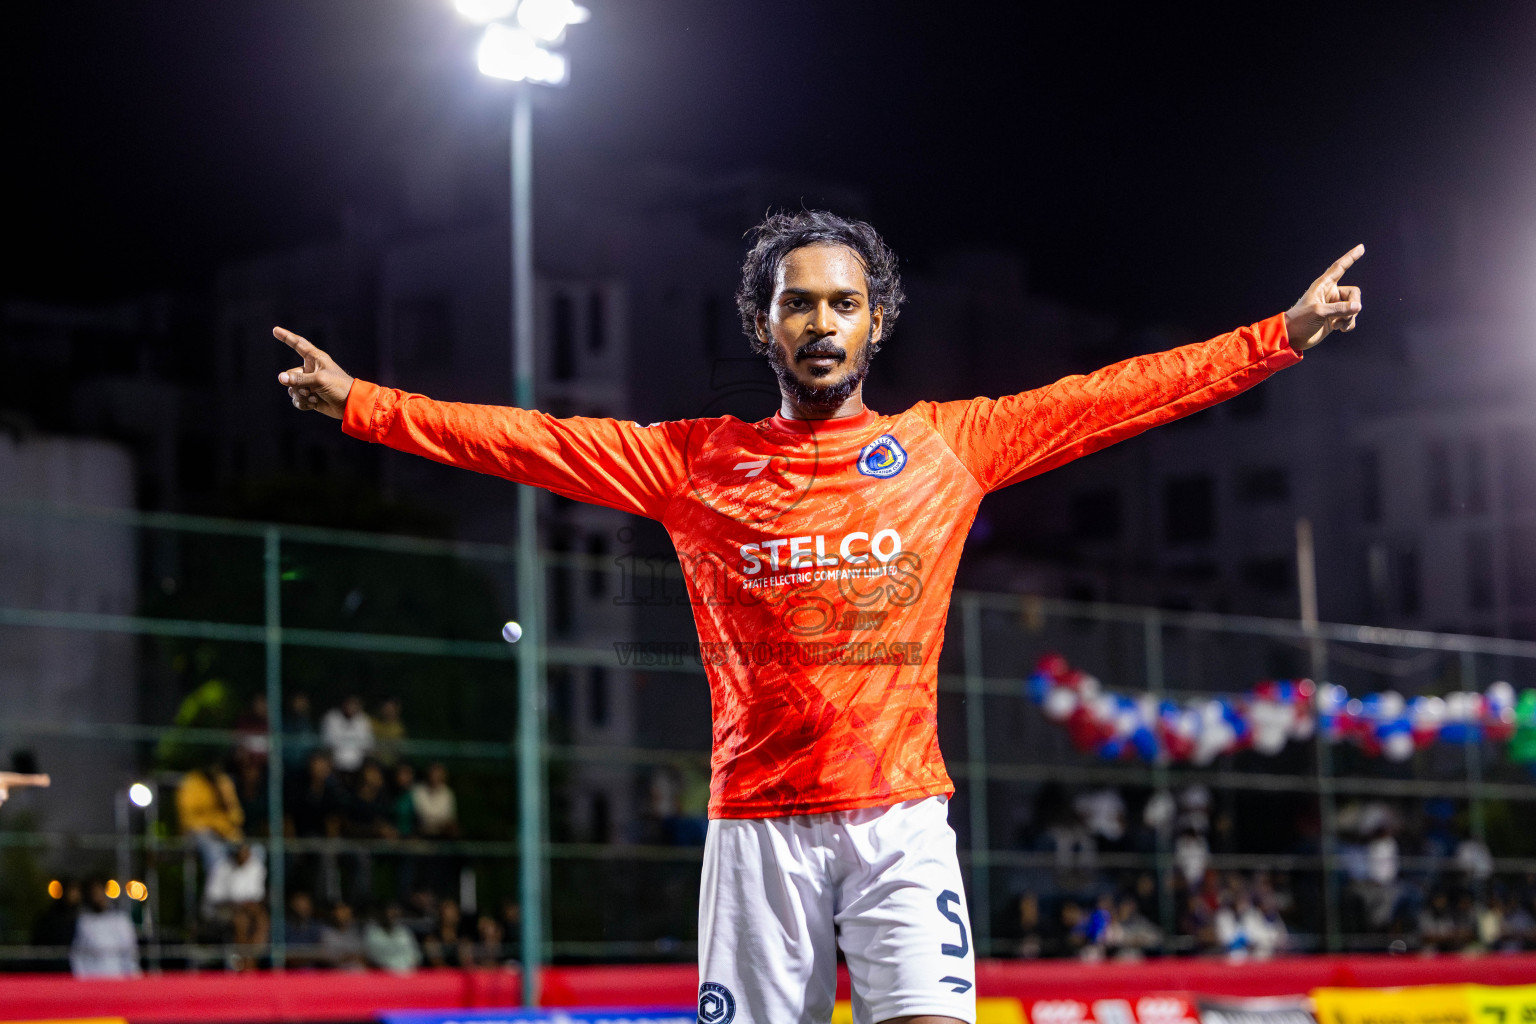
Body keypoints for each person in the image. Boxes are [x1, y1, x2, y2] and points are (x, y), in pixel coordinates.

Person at [275, 210, 1364, 1024]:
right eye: (799, 303)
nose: (822, 322)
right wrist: (366, 404)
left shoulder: (947, 446)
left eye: (843, 303)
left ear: (876, 321)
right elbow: (528, 438)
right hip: (757, 829)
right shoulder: (694, 462)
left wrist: (1281, 336)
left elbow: (1115, 395)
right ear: (764, 325)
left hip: (899, 821)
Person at [204, 841, 269, 966]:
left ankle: (252, 959)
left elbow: (258, 896)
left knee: (262, 920)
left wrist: (247, 906)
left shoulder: (256, 867)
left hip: (249, 909)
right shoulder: (222, 867)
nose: (245, 856)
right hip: (222, 910)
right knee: (241, 921)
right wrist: (237, 905)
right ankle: (244, 962)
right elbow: (213, 898)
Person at [175, 757, 244, 873]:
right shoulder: (192, 781)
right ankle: (216, 890)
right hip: (200, 832)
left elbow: (236, 815)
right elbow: (188, 818)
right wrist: (213, 826)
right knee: (215, 850)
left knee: (254, 852)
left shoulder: (223, 781)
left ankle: (241, 890)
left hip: (225, 833)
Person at [71, 878, 140, 978]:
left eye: (100, 893)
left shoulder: (121, 920)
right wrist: (82, 978)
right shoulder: (85, 922)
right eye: (95, 894)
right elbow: (78, 954)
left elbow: (131, 951)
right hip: (93, 979)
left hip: (117, 977)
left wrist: (133, 976)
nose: (98, 898)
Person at [321, 695, 374, 778]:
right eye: (349, 703)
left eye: (355, 704)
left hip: (358, 764)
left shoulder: (364, 720)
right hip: (335, 764)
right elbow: (328, 744)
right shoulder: (331, 717)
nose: (351, 706)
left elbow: (368, 745)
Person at [363, 903, 423, 973]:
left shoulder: (403, 931)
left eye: (395, 912)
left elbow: (415, 954)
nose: (393, 915)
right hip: (382, 973)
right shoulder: (372, 932)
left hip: (408, 972)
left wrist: (408, 967)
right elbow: (372, 956)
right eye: (390, 912)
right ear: (382, 913)